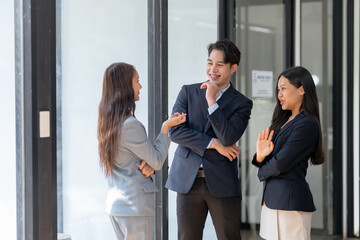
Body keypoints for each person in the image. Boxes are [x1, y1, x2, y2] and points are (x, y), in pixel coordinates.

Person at [165, 39, 253, 240]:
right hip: (188, 181)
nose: (212, 69)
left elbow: (229, 137)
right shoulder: (188, 92)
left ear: (233, 68)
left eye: (219, 65)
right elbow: (175, 131)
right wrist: (212, 144)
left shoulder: (242, 103)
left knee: (228, 236)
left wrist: (211, 101)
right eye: (209, 62)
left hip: (221, 182)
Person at [97, 62, 186, 240]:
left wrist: (148, 164)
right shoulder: (131, 126)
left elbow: (134, 159)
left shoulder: (108, 122)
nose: (140, 86)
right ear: (125, 86)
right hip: (134, 207)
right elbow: (157, 159)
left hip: (118, 206)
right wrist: (165, 129)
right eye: (137, 80)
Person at [253, 66, 325, 240]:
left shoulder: (307, 124)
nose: (279, 95)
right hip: (272, 202)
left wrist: (261, 171)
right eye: (278, 90)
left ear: (301, 89)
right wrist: (261, 156)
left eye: (284, 88)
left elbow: (280, 163)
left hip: (289, 205)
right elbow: (268, 158)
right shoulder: (282, 121)